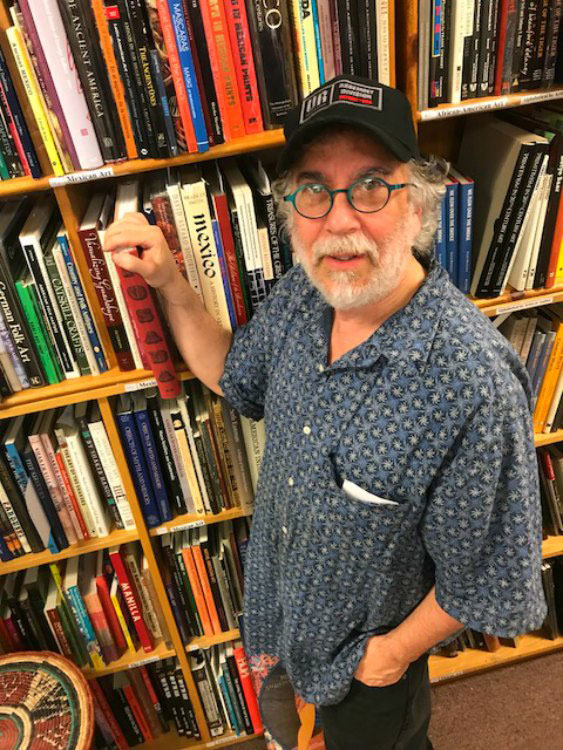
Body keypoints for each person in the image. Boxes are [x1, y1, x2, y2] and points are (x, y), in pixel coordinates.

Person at [104, 75, 547, 750]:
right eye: (313, 189)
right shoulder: (301, 298)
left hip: (367, 673)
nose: (339, 220)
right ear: (291, 210)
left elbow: (494, 584)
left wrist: (390, 656)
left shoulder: (471, 382)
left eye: (370, 184)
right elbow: (233, 375)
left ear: (418, 204)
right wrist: (168, 280)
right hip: (280, 625)